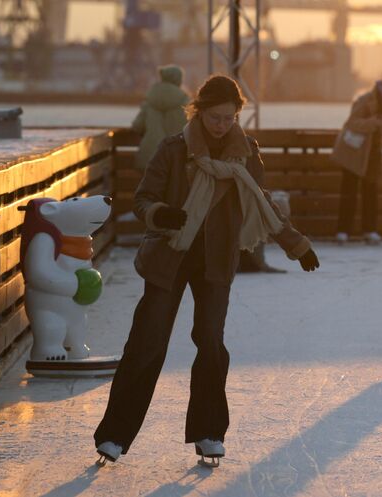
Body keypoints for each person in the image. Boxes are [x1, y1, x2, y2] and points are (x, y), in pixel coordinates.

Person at [94, 75, 320, 467]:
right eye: (214, 117)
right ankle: (114, 435)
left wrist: (296, 245)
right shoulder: (173, 149)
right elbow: (143, 199)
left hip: (216, 260)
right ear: (198, 112)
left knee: (211, 343)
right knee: (148, 342)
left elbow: (261, 201)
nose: (221, 125)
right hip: (169, 256)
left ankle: (209, 432)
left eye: (229, 118)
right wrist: (161, 214)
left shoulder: (245, 154)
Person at [331, 73, 382, 245]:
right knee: (349, 193)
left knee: (370, 193)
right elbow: (351, 123)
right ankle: (343, 231)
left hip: (373, 154)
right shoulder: (365, 99)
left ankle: (369, 230)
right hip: (354, 153)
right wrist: (372, 122)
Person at [131, 64, 189, 170]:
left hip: (150, 156)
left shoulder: (149, 100)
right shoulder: (185, 102)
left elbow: (137, 126)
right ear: (179, 80)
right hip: (176, 157)